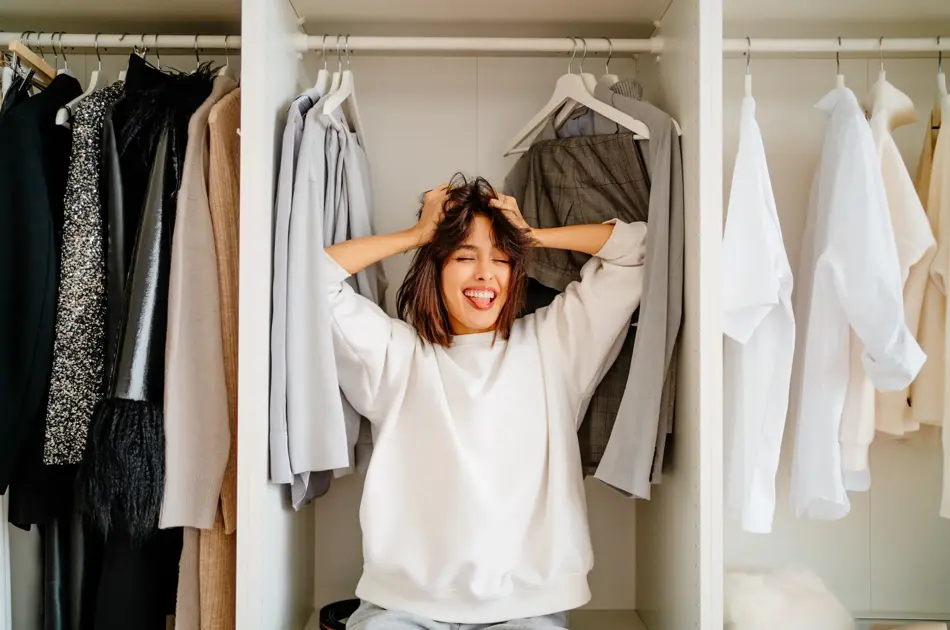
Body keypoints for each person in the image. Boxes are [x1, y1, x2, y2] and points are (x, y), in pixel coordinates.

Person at [324, 174, 648, 629]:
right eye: (463, 256)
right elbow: (311, 279)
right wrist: (417, 235)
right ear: (435, 266)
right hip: (403, 607)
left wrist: (532, 236)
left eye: (501, 258)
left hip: (525, 610)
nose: (484, 272)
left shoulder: (556, 343)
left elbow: (637, 250)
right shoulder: (397, 356)